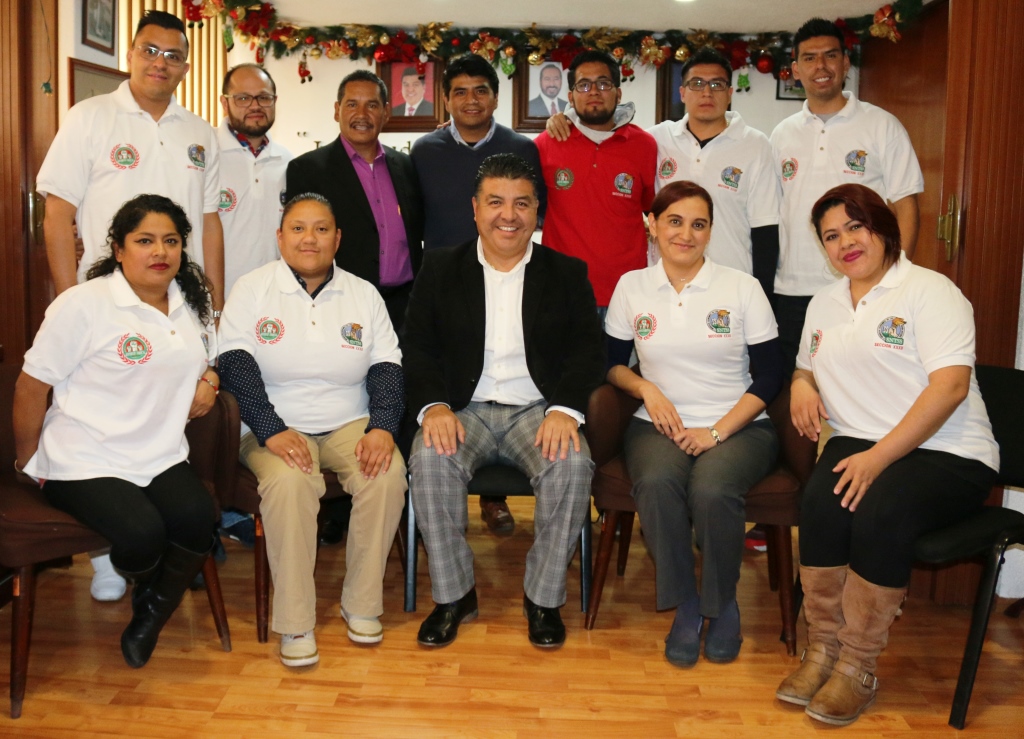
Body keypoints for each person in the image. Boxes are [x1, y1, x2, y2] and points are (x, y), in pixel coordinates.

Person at [775, 184, 998, 726]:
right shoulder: (825, 302)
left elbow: (950, 387)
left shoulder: (931, 291)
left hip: (949, 449)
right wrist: (802, 384)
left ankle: (857, 666)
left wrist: (878, 459)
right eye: (832, 235)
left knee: (880, 508)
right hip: (859, 439)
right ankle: (822, 650)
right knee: (820, 503)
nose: (846, 243)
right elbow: (806, 364)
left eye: (856, 226)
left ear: (884, 227)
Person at [36, 10, 224, 599]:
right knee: (100, 414)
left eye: (173, 55)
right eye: (150, 50)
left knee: (166, 416)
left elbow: (210, 225)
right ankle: (112, 550)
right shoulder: (89, 117)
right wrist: (70, 298)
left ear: (186, 66)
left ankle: (166, 538)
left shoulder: (201, 133)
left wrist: (213, 310)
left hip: (179, 301)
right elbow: (58, 213)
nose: (160, 63)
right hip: (105, 301)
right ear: (132, 54)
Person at [403, 153, 604, 649]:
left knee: (572, 464)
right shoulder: (440, 268)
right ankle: (455, 596)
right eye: (495, 202)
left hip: (537, 411)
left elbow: (587, 350)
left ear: (537, 211)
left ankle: (543, 598)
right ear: (475, 209)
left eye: (521, 203)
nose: (508, 215)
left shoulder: (567, 272)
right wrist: (435, 407)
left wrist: (565, 410)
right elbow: (418, 347)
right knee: (428, 459)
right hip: (462, 408)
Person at [12, 194, 219, 669]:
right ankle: (152, 590)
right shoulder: (83, 304)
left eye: (171, 241)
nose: (159, 251)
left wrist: (209, 380)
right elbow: (30, 387)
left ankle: (149, 612)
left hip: (160, 452)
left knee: (197, 517)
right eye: (144, 241)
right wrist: (27, 461)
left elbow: (210, 359)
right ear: (119, 249)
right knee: (142, 535)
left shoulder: (190, 302)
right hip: (84, 457)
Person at [218, 193, 407, 668]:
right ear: (280, 237)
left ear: (337, 239)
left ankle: (361, 604)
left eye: (321, 229)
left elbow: (387, 365)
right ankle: (296, 621)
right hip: (272, 423)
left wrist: (382, 427)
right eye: (298, 228)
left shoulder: (364, 293)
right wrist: (271, 429)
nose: (310, 239)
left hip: (349, 419)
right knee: (290, 482)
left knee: (386, 475)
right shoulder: (251, 289)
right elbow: (235, 363)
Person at [604, 180, 783, 667]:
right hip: (655, 425)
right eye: (674, 221)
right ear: (652, 225)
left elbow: (771, 374)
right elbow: (611, 363)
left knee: (712, 489)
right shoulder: (632, 286)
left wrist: (717, 431)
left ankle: (721, 604)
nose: (686, 234)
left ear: (710, 230)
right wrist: (646, 389)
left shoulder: (741, 287)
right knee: (657, 482)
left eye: (698, 224)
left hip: (739, 424)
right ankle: (686, 602)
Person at [411, 52, 546, 535]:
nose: (471, 100)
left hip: (505, 278)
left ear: (496, 97)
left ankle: (494, 499)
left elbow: (534, 214)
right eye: (460, 92)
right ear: (446, 99)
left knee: (498, 378)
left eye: (481, 90)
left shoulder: (521, 147)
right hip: (445, 287)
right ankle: (441, 496)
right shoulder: (424, 151)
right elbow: (414, 218)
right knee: (456, 384)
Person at [770, 17, 923, 372]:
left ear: (845, 62)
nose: (821, 66)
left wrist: (894, 277)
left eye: (830, 55)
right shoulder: (781, 135)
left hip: (863, 285)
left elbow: (906, 205)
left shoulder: (881, 125)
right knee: (798, 385)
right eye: (809, 58)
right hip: (792, 290)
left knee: (863, 378)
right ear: (795, 69)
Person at [285, 70, 424, 330]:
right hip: (339, 306)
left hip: (404, 308)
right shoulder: (307, 170)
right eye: (352, 104)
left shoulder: (406, 166)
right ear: (336, 110)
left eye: (371, 105)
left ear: (386, 112)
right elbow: (300, 243)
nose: (361, 114)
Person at [534, 49, 657, 314]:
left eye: (603, 84)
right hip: (562, 293)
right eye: (584, 85)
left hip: (627, 293)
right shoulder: (547, 144)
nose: (593, 92)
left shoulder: (645, 146)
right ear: (570, 97)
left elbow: (654, 211)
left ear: (618, 93)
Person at [218, 63, 292, 300]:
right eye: (243, 98)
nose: (255, 106)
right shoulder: (205, 156)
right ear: (224, 103)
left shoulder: (289, 162)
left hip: (275, 297)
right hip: (218, 296)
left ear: (275, 101)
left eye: (263, 97)